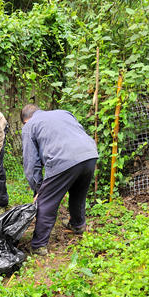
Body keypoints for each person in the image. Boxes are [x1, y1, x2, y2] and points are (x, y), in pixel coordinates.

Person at [20, 104, 99, 256]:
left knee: (46, 203)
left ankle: (38, 246)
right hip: (89, 154)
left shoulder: (29, 126)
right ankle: (78, 225)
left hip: (62, 159)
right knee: (78, 193)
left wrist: (39, 190)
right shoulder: (64, 113)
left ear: (25, 120)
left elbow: (31, 163)